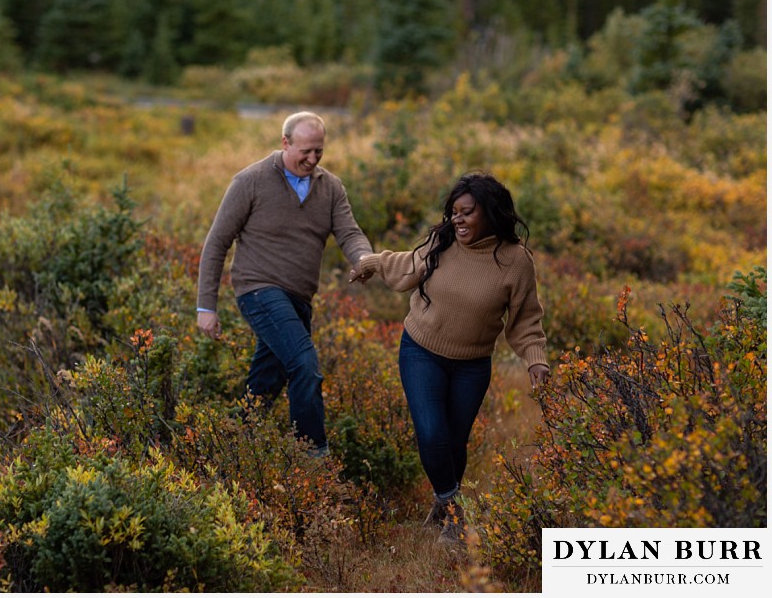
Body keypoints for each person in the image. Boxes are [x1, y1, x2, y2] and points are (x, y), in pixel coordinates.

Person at [350, 172, 550, 544]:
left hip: (472, 365)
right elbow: (408, 265)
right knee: (431, 432)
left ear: (490, 213)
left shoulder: (516, 261)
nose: (457, 220)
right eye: (453, 212)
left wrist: (535, 359)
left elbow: (525, 318)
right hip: (421, 350)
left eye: (467, 212)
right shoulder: (443, 242)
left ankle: (443, 505)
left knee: (455, 442)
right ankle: (456, 513)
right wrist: (373, 262)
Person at [197, 111, 372, 457]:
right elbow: (217, 242)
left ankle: (233, 448)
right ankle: (313, 456)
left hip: (299, 297)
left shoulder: (331, 187)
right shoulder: (250, 181)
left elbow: (349, 233)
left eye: (319, 151)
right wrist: (206, 307)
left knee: (267, 377)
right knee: (304, 364)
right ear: (285, 143)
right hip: (258, 290)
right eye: (305, 151)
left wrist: (365, 259)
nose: (312, 158)